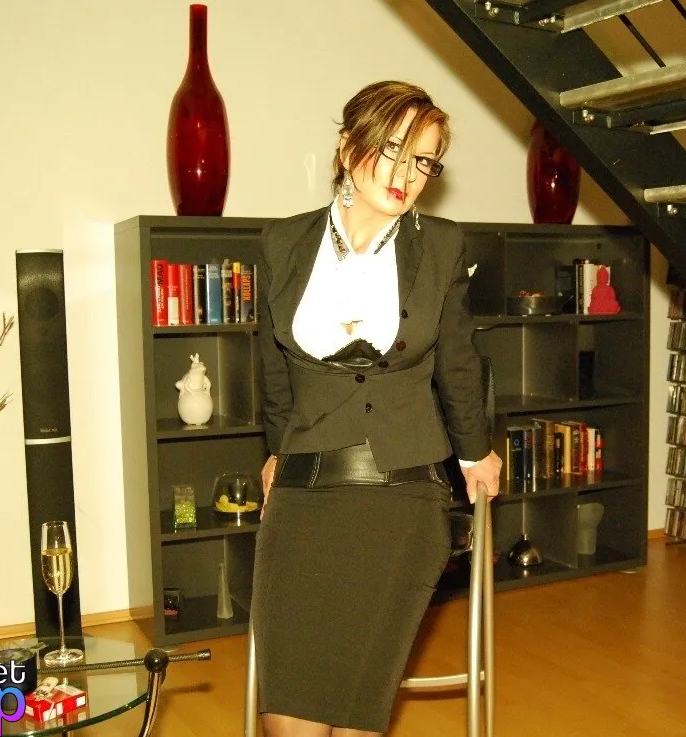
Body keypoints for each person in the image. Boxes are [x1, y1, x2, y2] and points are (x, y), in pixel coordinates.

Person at [250, 80, 503, 737]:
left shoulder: (440, 246)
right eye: (392, 149)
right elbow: (271, 367)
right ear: (347, 147)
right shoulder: (282, 243)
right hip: (304, 492)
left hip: (401, 492)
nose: (406, 174)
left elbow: (457, 360)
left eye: (424, 160)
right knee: (289, 715)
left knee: (354, 714)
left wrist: (475, 452)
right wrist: (277, 451)